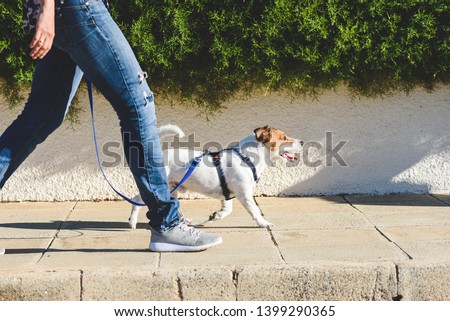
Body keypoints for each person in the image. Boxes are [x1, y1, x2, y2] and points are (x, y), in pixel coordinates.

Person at [0, 0, 222, 254]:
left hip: (67, 11)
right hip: (76, 7)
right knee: (138, 104)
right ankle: (167, 223)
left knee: (40, 118)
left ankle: (167, 222)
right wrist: (48, 9)